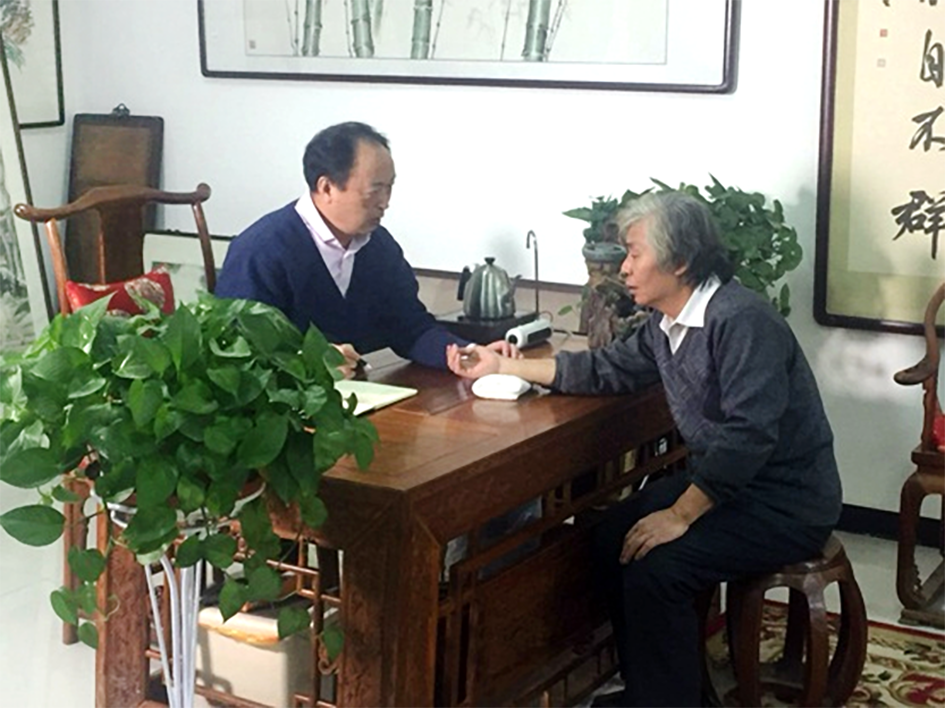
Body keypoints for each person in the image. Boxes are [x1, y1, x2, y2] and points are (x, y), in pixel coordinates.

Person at [446, 191, 842, 707]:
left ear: (680, 262)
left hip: (785, 501)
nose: (624, 268)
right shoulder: (665, 322)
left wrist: (680, 515)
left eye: (635, 254)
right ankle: (656, 691)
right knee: (611, 537)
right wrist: (504, 366)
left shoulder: (741, 320)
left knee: (659, 568)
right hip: (730, 488)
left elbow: (748, 436)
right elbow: (607, 368)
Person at [216, 121, 513, 375]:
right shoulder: (261, 250)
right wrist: (310, 363)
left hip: (362, 400)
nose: (385, 203)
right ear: (327, 187)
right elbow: (237, 358)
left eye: (390, 188)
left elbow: (410, 327)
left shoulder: (378, 246)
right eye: (375, 190)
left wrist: (466, 352)